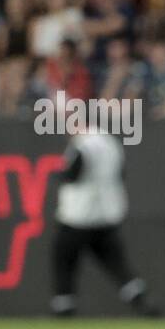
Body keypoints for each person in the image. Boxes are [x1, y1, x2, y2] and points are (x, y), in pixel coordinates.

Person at [51, 127, 158, 318]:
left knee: (64, 262)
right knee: (117, 265)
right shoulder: (111, 143)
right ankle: (141, 301)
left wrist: (60, 174)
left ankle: (64, 308)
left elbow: (73, 174)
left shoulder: (83, 145)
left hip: (78, 216)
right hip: (106, 216)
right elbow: (121, 173)